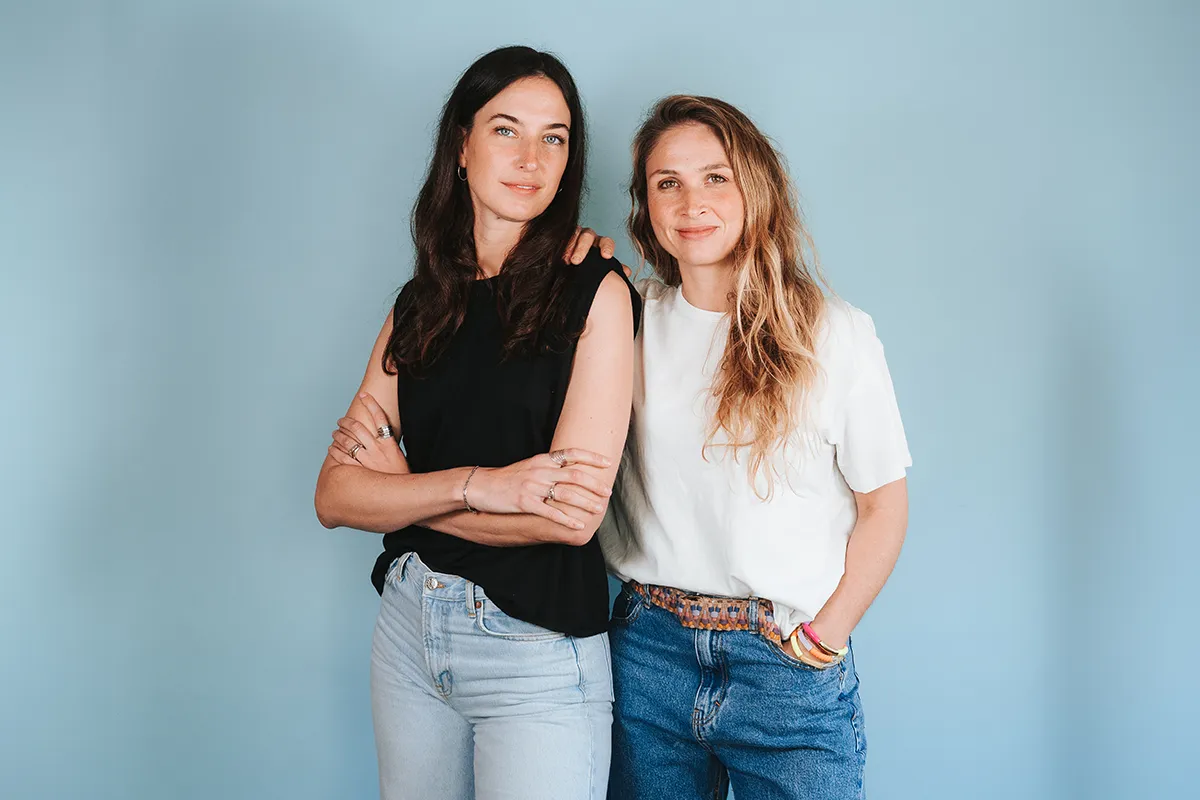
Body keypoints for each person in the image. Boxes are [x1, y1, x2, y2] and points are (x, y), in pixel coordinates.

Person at [313, 46, 639, 800]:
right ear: (461, 146)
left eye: (553, 138)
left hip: (535, 653)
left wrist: (408, 497)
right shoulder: (419, 303)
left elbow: (570, 519)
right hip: (408, 633)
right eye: (506, 131)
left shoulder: (596, 292)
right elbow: (334, 497)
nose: (531, 158)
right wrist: (480, 488)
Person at [602, 95, 912, 800]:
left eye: (717, 177)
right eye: (667, 182)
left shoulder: (833, 333)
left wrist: (822, 640)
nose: (692, 202)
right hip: (648, 655)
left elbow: (884, 508)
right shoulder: (625, 318)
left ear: (756, 187)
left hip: (784, 664)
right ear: (646, 205)